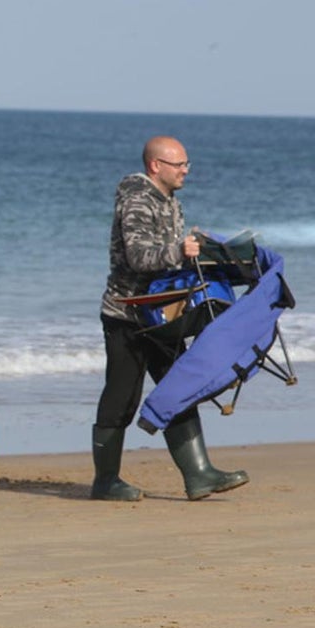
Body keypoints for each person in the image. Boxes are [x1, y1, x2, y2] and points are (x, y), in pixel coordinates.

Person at [93, 137, 249, 501]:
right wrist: (178, 249)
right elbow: (137, 257)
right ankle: (105, 482)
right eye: (179, 165)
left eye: (187, 164)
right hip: (126, 315)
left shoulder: (170, 201)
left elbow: (168, 257)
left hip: (163, 314)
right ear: (155, 166)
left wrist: (202, 248)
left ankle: (199, 475)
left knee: (179, 388)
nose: (185, 171)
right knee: (121, 398)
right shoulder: (136, 198)